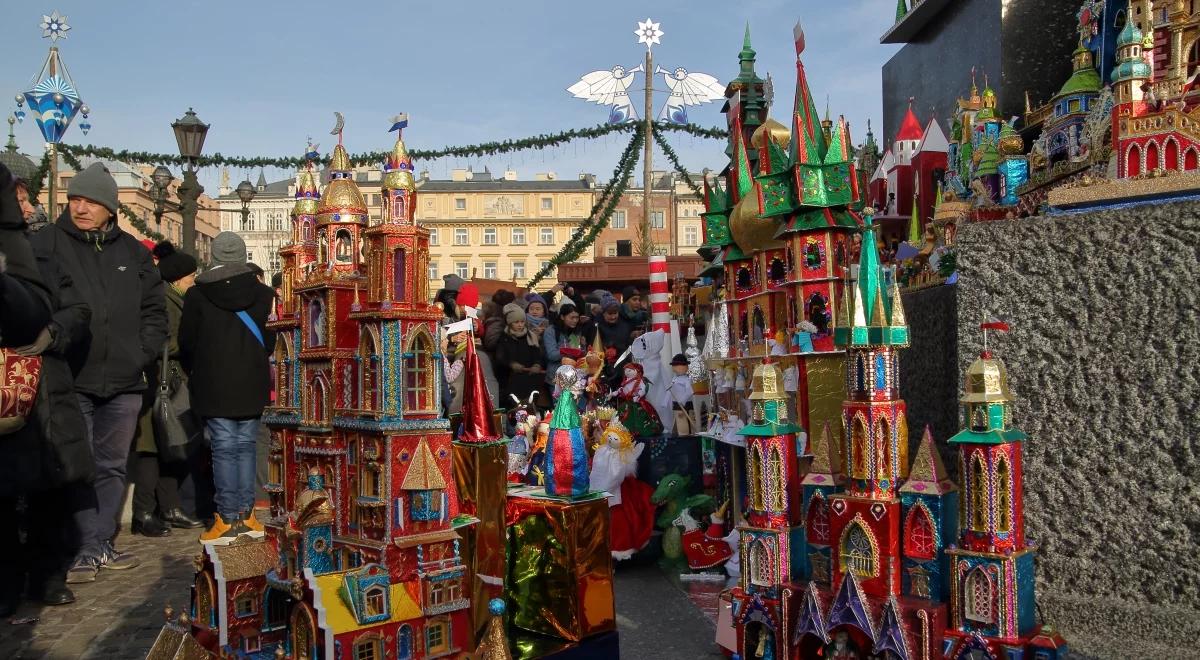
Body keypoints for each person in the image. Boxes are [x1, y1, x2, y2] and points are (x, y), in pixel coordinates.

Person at [31, 162, 167, 584]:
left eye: (91, 201)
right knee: (78, 463)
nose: (81, 207)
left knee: (111, 465)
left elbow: (154, 311)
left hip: (124, 381)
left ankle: (101, 542)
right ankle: (83, 546)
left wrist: (140, 354)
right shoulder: (47, 244)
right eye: (75, 199)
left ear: (110, 208)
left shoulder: (133, 253)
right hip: (71, 376)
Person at [0, 165, 92, 614]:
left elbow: (77, 308)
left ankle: (48, 575)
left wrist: (53, 332)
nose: (26, 205)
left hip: (45, 385)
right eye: (17, 198)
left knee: (50, 489)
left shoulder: (42, 252)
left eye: (25, 197)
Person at [179, 232, 276, 542]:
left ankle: (226, 517)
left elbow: (187, 342)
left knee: (223, 447)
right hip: (251, 380)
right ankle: (247, 514)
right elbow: (270, 341)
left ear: (216, 256)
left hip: (213, 381)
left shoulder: (197, 295)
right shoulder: (264, 295)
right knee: (246, 445)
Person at [129, 241, 203, 536]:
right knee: (151, 450)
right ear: (176, 278)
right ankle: (143, 513)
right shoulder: (163, 300)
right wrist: (188, 343)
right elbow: (162, 341)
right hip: (158, 383)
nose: (193, 281)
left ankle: (170, 508)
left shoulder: (175, 298)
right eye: (190, 276)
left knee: (173, 445)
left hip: (170, 382)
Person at [495, 304, 545, 406]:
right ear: (510, 323)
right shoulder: (505, 337)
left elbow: (537, 354)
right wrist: (511, 364)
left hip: (530, 378)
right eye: (516, 322)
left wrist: (537, 364)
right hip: (511, 378)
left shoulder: (530, 336)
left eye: (522, 322)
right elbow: (500, 357)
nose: (520, 325)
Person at [543, 303, 595, 388]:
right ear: (562, 317)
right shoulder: (551, 331)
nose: (575, 320)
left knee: (581, 401)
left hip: (575, 378)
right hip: (557, 379)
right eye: (572, 317)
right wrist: (568, 351)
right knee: (562, 402)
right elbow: (552, 355)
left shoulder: (577, 331)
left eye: (577, 317)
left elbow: (580, 355)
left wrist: (583, 346)